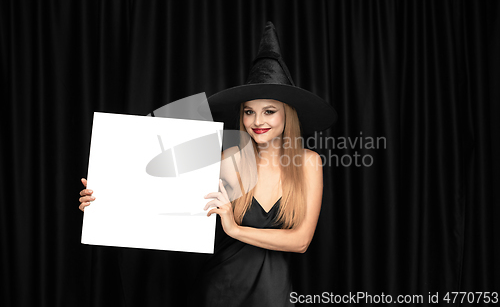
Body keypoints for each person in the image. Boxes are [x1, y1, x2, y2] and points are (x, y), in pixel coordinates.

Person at [79, 22, 337, 307]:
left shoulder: (308, 163)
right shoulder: (229, 159)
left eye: (269, 111)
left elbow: (301, 241)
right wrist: (102, 198)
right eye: (249, 112)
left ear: (287, 115)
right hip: (218, 292)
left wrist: (235, 228)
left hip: (274, 295)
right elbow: (159, 196)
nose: (257, 121)